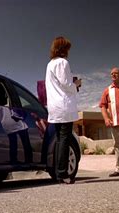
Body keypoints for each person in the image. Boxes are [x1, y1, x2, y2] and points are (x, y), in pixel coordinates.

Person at [45, 36, 82, 184]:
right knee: (64, 139)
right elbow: (66, 84)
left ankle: (59, 172)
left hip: (55, 106)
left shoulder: (50, 64)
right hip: (63, 106)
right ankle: (62, 173)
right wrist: (76, 83)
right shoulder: (62, 62)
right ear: (63, 49)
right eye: (67, 48)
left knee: (60, 140)